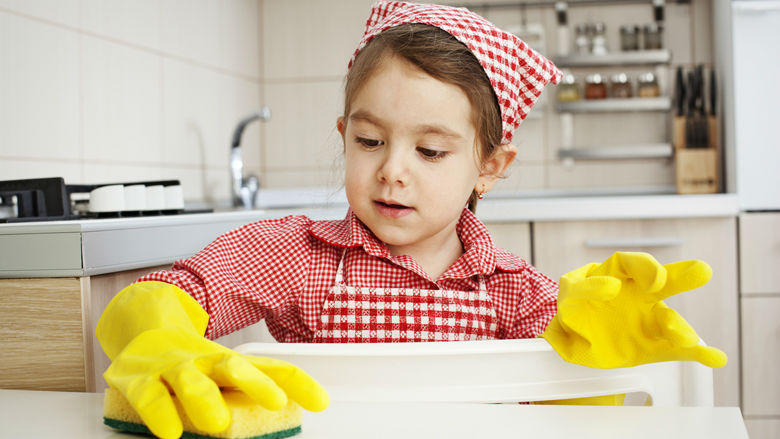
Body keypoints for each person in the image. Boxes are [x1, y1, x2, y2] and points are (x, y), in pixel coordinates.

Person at [96, 2, 727, 439]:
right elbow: (171, 294)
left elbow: (565, 409)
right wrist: (156, 333)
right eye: (370, 140)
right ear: (344, 134)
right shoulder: (293, 255)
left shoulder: (519, 294)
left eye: (429, 151)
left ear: (490, 165)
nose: (393, 170)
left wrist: (605, 364)